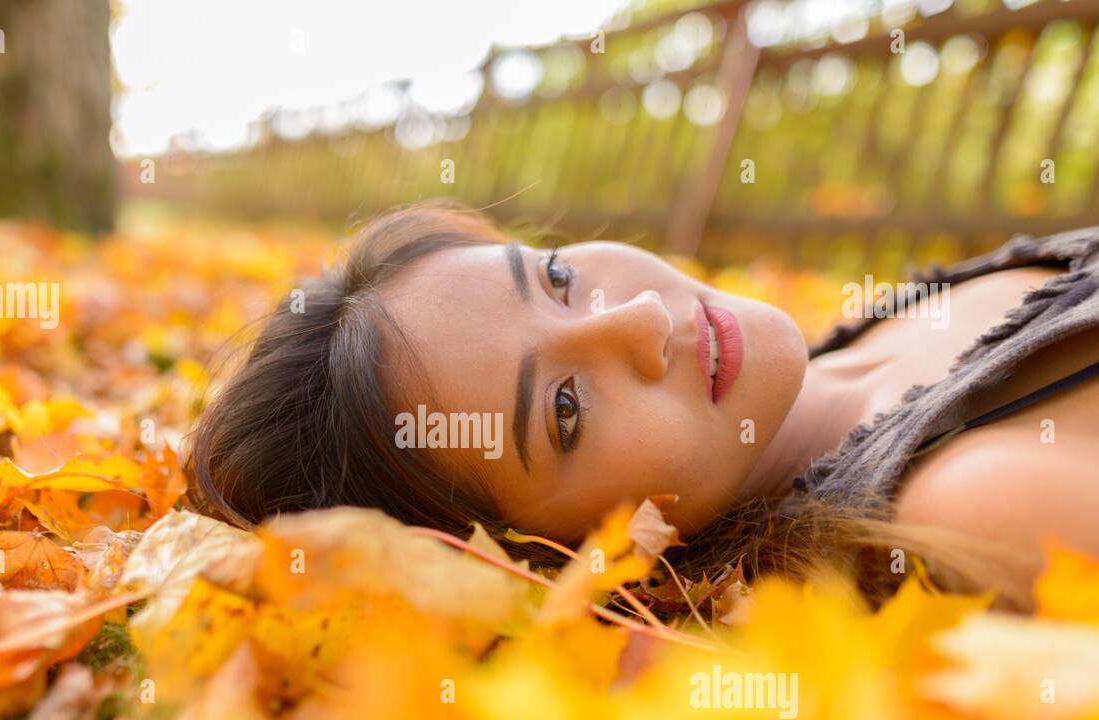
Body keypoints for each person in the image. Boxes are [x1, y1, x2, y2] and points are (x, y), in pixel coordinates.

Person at [187, 201, 1099, 610]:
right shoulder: (974, 502)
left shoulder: (861, 336)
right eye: (567, 411)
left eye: (556, 276)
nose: (638, 319)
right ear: (562, 561)